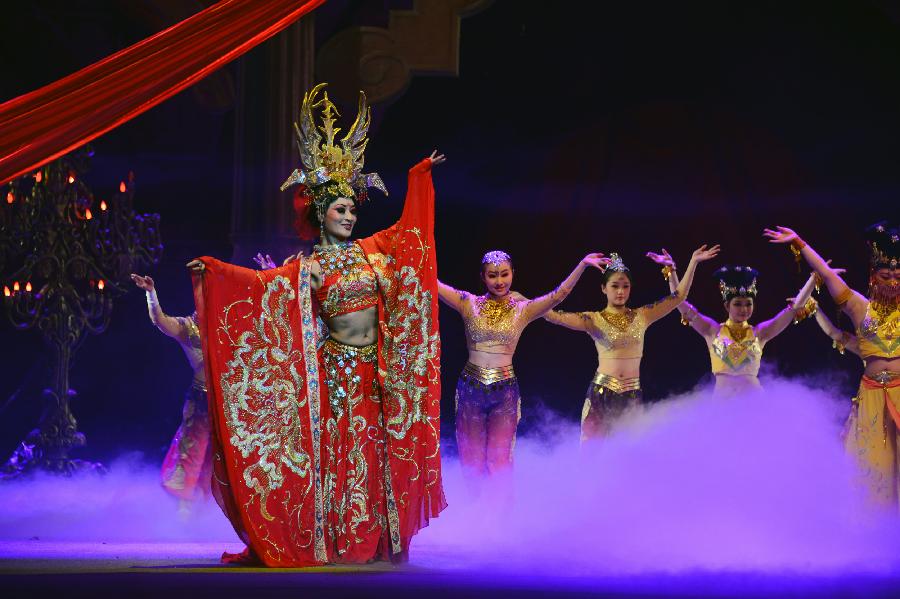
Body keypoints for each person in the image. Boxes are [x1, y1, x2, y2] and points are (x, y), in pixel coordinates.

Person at [188, 83, 445, 566]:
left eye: (351, 209)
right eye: (339, 209)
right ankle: (333, 540)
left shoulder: (373, 252)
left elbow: (413, 231)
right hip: (332, 374)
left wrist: (418, 177)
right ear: (319, 214)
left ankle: (373, 541)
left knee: (372, 456)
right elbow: (261, 287)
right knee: (336, 456)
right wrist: (216, 272)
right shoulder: (307, 268)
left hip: (375, 373)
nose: (348, 216)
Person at [438, 250, 608, 476]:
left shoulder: (523, 309)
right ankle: (476, 510)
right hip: (470, 389)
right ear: (483, 277)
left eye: (504, 274)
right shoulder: (468, 302)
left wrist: (582, 265)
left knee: (499, 461)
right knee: (472, 463)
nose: (499, 281)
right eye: (492, 276)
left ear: (513, 274)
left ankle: (501, 509)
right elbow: (433, 283)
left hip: (504, 392)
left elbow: (558, 295)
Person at [764, 222, 899, 505]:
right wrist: (799, 241)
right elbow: (825, 273)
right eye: (886, 272)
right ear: (874, 275)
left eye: (898, 272)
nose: (893, 277)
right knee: (873, 461)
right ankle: (877, 523)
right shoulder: (860, 307)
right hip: (872, 394)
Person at [544, 246, 719, 440]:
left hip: (631, 397)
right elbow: (551, 314)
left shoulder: (642, 315)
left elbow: (678, 297)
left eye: (625, 286)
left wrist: (685, 264)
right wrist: (582, 266)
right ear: (603, 288)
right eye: (615, 286)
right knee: (592, 459)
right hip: (600, 395)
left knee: (628, 460)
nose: (620, 291)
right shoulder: (592, 319)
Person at [664, 254, 816, 396]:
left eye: (748, 304)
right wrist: (672, 271)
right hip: (723, 408)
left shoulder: (760, 333)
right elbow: (680, 303)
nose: (744, 309)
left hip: (754, 405)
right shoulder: (712, 330)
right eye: (737, 304)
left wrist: (815, 278)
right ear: (726, 306)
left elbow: (794, 307)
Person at [130, 274, 210, 513]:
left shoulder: (229, 327)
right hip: (202, 401)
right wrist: (150, 293)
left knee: (224, 459)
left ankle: (216, 511)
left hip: (228, 401)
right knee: (191, 454)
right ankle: (184, 511)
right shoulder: (190, 327)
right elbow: (160, 320)